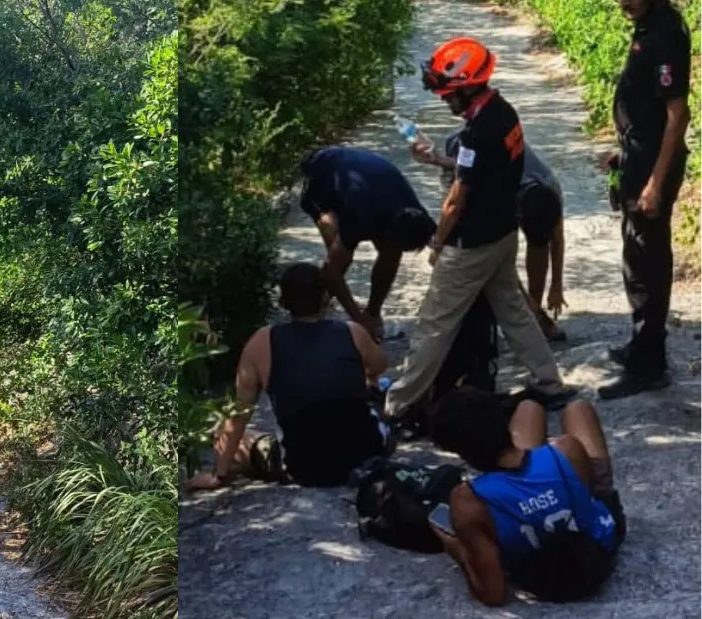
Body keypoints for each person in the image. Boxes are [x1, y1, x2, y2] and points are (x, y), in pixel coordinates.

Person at [384, 37, 574, 423]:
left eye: (447, 90)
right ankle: (549, 384)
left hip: (471, 244)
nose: (442, 98)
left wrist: (438, 240)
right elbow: (484, 168)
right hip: (503, 234)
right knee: (514, 311)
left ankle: (398, 405)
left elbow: (456, 200)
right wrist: (439, 158)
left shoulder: (475, 134)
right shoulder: (504, 113)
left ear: (468, 86)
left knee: (434, 323)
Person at [187, 263, 393, 490]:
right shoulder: (352, 331)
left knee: (226, 436)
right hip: (368, 455)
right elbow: (379, 365)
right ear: (326, 297)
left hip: (305, 467)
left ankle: (238, 465)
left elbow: (239, 414)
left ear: (283, 302)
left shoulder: (261, 342)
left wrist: (218, 475)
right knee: (371, 382)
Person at [596, 0, 691, 398]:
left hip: (654, 165)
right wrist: (623, 150)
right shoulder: (648, 27)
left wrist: (654, 182)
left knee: (649, 260)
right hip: (636, 157)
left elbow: (677, 116)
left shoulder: (668, 33)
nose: (624, 0)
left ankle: (649, 364)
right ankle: (641, 344)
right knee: (635, 254)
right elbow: (645, 105)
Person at [429, 388, 625, 605]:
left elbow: (493, 595)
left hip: (539, 574)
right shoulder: (567, 448)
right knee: (576, 408)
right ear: (503, 422)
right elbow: (585, 497)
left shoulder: (468, 501)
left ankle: (516, 469)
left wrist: (457, 547)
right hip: (597, 547)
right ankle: (521, 461)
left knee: (529, 409)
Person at [416, 130, 568, 341]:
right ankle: (531, 315)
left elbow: (557, 240)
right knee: (489, 255)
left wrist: (557, 286)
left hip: (503, 175)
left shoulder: (550, 189)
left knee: (539, 244)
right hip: (465, 169)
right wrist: (438, 244)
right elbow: (497, 259)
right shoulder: (492, 197)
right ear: (516, 214)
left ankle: (533, 310)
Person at [299, 147, 438, 340]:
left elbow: (441, 244)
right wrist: (357, 318)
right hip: (322, 173)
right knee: (337, 250)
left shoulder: (416, 213)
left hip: (368, 177)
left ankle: (373, 311)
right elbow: (331, 268)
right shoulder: (360, 215)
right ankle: (319, 303)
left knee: (391, 253)